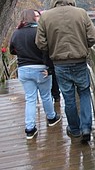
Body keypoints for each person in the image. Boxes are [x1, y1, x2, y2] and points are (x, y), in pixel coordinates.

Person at [35, 0, 95, 143]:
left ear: (54, 0)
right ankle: (86, 127)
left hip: (60, 64)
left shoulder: (45, 17)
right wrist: (83, 45)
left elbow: (40, 43)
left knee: (68, 97)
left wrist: (52, 48)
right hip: (79, 61)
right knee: (84, 92)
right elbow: (92, 37)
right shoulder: (81, 13)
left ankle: (74, 129)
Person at [9, 9, 61, 140]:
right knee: (46, 96)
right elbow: (47, 50)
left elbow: (12, 50)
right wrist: (50, 69)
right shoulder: (39, 32)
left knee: (30, 99)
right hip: (40, 68)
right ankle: (51, 117)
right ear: (34, 18)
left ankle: (30, 129)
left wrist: (23, 54)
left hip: (23, 70)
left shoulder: (16, 33)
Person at [35, 10, 61, 103]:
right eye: (35, 16)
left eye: (38, 16)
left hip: (49, 58)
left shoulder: (46, 28)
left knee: (53, 78)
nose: (36, 18)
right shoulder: (37, 30)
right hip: (40, 60)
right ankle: (52, 99)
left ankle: (56, 96)